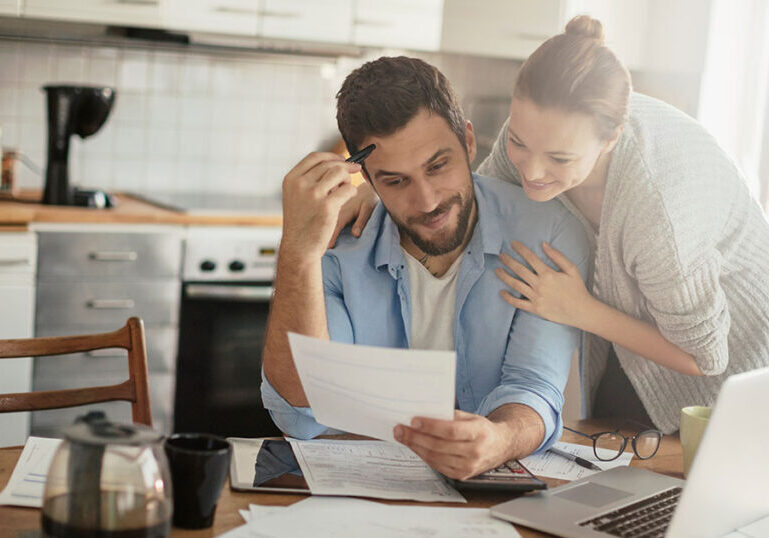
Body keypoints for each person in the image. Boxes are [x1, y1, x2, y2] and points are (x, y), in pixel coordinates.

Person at [337, 16, 769, 434]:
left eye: (559, 159)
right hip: (636, 350)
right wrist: (383, 187)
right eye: (518, 142)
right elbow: (482, 201)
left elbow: (705, 356)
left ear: (611, 138)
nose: (532, 171)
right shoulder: (539, 135)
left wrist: (579, 310)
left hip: (739, 376)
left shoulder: (660, 218)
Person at [261, 56, 590, 480]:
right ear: (367, 179)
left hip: (488, 493)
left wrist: (500, 439)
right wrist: (297, 253)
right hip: (361, 488)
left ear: (469, 143)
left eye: (438, 166)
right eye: (396, 181)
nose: (429, 200)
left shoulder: (547, 233)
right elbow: (301, 406)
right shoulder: (335, 244)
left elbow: (533, 386)